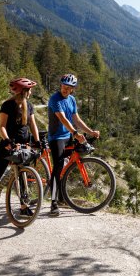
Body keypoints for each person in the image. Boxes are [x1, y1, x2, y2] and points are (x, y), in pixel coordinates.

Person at [0, 78, 40, 217]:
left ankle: (23, 206)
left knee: (22, 174)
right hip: (8, 145)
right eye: (29, 90)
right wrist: (7, 140)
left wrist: (37, 140)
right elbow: (2, 126)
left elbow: (33, 125)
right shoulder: (7, 105)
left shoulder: (29, 106)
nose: (31, 92)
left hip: (23, 145)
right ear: (23, 91)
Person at [47, 73, 100, 216]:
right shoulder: (54, 99)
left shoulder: (72, 100)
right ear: (61, 85)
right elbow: (63, 119)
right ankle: (53, 203)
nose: (65, 89)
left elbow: (77, 119)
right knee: (58, 168)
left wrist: (91, 132)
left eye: (69, 87)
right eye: (64, 85)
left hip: (68, 136)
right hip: (56, 138)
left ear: (72, 89)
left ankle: (61, 196)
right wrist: (76, 133)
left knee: (67, 165)